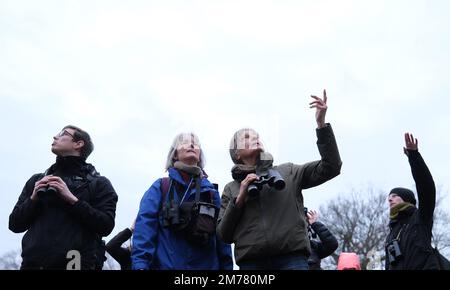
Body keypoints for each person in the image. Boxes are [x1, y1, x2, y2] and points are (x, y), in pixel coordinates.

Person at [217, 90, 342, 270]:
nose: (255, 138)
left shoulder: (288, 171)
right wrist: (239, 200)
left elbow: (331, 167)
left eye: (256, 136)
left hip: (293, 259)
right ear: (236, 154)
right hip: (252, 264)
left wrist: (321, 125)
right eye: (246, 137)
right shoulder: (231, 189)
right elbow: (224, 235)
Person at [9, 125, 118, 270]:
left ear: (78, 144)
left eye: (63, 134)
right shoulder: (38, 180)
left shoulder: (98, 183)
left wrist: (72, 200)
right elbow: (14, 224)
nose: (55, 137)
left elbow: (106, 225)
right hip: (33, 264)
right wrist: (33, 199)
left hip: (76, 264)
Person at [131, 133, 233, 270]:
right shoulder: (161, 187)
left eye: (196, 144)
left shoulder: (211, 193)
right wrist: (140, 266)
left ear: (199, 155)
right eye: (184, 142)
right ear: (174, 154)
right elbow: (144, 228)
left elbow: (222, 241)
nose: (191, 145)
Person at [385, 133, 437, 270]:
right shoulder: (391, 232)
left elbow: (426, 188)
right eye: (389, 197)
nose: (390, 199)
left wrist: (414, 157)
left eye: (395, 195)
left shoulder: (420, 218)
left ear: (406, 199)